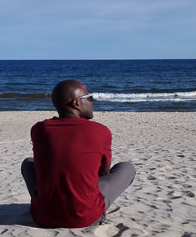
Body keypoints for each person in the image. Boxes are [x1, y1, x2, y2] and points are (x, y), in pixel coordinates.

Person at [21, 80, 136, 228]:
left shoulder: (39, 129)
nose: (92, 102)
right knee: (127, 167)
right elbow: (104, 174)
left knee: (28, 163)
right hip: (86, 217)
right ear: (76, 103)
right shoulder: (100, 131)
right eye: (89, 98)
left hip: (43, 216)